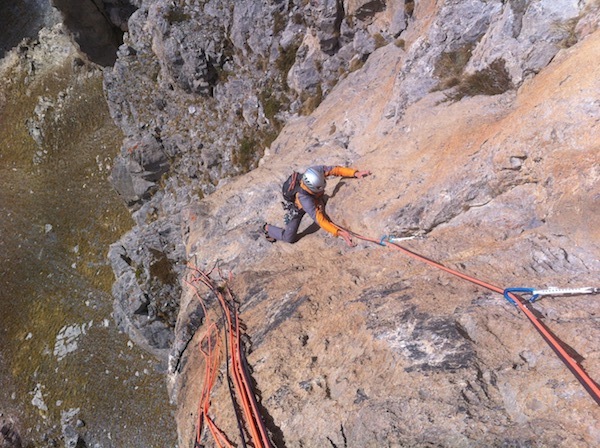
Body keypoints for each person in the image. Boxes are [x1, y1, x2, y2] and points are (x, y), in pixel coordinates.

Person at [262, 165, 371, 246]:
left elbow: (335, 170)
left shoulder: (316, 172)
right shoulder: (304, 200)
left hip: (311, 197)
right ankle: (267, 228)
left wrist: (354, 173)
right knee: (289, 238)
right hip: (297, 207)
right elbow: (321, 220)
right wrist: (339, 233)